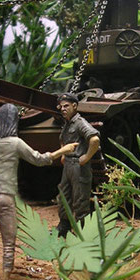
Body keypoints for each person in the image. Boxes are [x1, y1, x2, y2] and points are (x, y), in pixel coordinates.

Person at [0, 103, 78, 280]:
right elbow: (39, 159)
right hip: (6, 199)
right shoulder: (16, 143)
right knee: (8, 244)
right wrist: (63, 150)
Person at [55, 93, 101, 237]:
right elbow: (63, 139)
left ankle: (83, 232)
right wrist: (63, 154)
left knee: (80, 199)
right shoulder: (68, 123)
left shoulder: (80, 122)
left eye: (66, 106)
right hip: (69, 165)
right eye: (61, 106)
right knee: (63, 196)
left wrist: (86, 157)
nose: (63, 109)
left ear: (75, 106)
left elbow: (94, 140)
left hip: (78, 166)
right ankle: (64, 226)